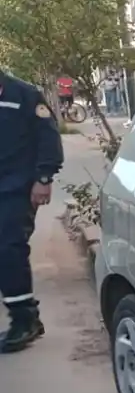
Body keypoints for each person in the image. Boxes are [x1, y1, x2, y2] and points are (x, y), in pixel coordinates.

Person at [0, 69, 64, 352]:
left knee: (8, 248)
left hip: (16, 188)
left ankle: (25, 320)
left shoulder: (24, 95)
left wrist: (44, 178)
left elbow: (48, 137)